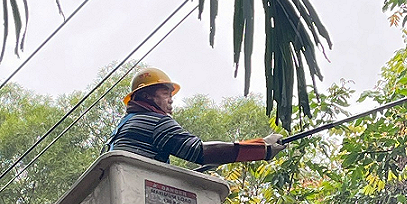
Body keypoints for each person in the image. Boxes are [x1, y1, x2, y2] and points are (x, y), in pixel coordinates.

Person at [107, 68, 285, 166]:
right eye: (165, 94)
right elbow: (199, 152)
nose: (171, 101)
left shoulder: (123, 127)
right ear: (147, 96)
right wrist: (263, 149)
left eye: (171, 95)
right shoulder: (156, 123)